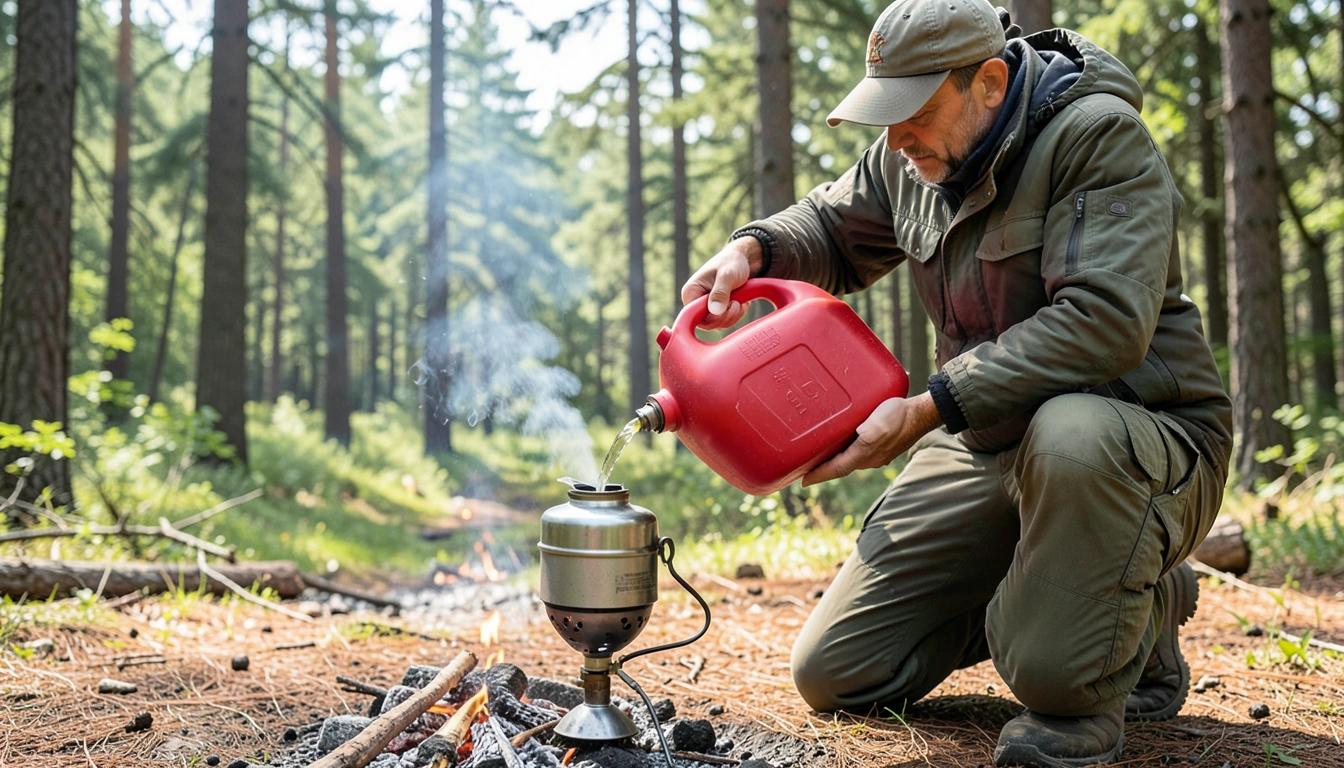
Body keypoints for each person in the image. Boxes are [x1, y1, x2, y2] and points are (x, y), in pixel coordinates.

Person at [681, 1, 1234, 765]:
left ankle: (1089, 678)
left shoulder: (1096, 135)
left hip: (1134, 439)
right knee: (839, 671)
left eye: (914, 111)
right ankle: (1107, 595)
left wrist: (926, 409)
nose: (897, 137)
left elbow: (1104, 324)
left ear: (989, 80)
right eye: (885, 114)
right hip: (990, 435)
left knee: (1054, 637)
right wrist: (754, 248)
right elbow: (832, 226)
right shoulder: (910, 157)